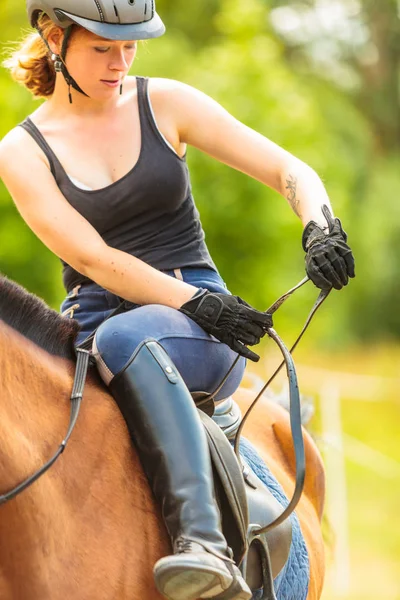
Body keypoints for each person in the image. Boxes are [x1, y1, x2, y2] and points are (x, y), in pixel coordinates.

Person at [0, 2, 355, 599]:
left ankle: (205, 546)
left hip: (199, 334)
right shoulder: (21, 150)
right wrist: (194, 301)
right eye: (102, 48)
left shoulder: (163, 103)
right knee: (105, 346)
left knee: (125, 337)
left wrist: (320, 224)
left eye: (130, 47)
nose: (121, 62)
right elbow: (92, 259)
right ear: (55, 38)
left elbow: (288, 168)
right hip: (106, 331)